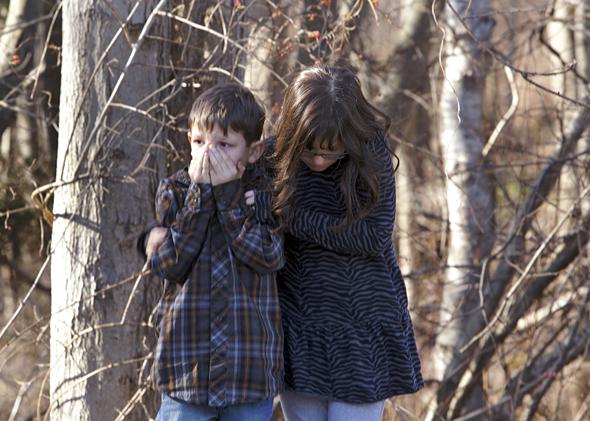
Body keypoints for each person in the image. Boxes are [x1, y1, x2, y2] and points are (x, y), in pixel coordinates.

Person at [271, 65, 423, 421]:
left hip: (363, 326)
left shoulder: (372, 154)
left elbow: (371, 235)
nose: (320, 160)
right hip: (301, 327)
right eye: (310, 151)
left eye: (331, 152)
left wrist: (291, 218)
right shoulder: (273, 159)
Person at [144, 83, 284, 421]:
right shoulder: (175, 192)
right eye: (200, 142)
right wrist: (200, 198)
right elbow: (167, 264)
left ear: (252, 152)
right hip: (186, 374)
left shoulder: (264, 197)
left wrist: (231, 199)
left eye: (224, 145)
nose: (209, 153)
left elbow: (268, 256)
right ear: (188, 141)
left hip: (247, 375)